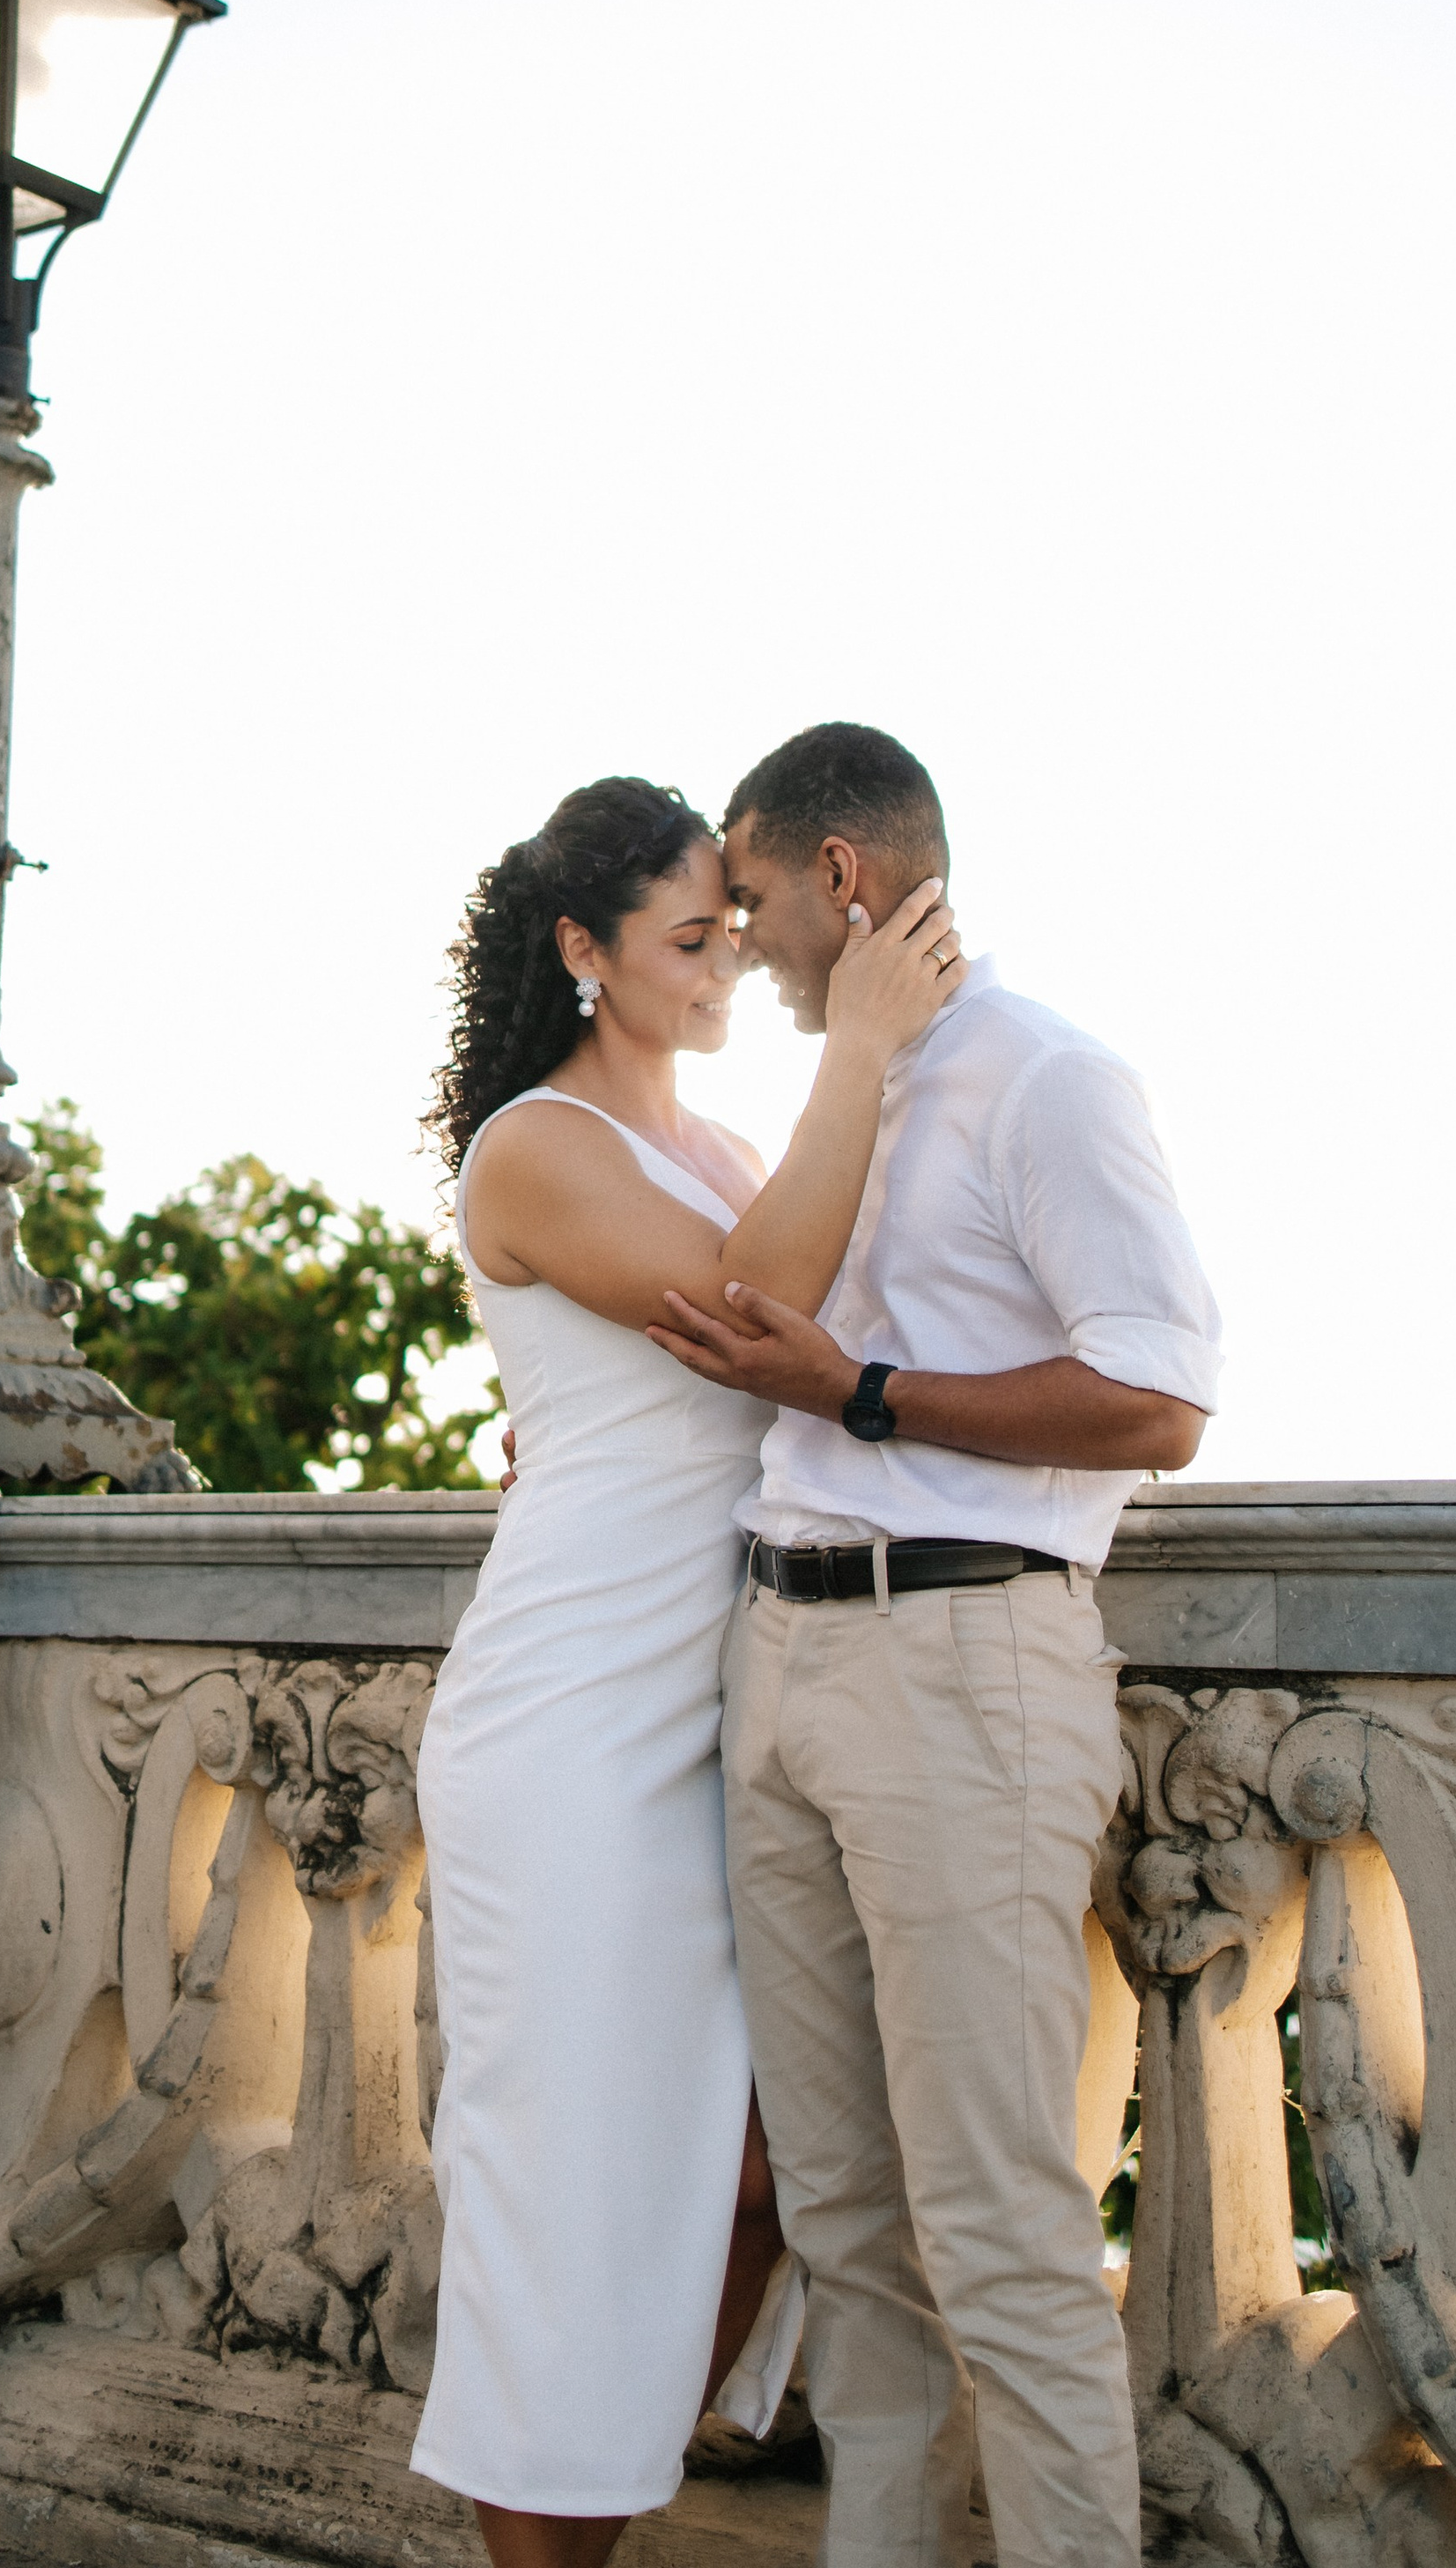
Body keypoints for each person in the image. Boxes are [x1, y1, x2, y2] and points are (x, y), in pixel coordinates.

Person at [649, 722, 1221, 2568]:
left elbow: (1153, 1399)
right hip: (780, 1659)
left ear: (842, 878)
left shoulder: (1045, 1078)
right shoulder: (834, 1099)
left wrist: (868, 1395)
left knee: (996, 2220)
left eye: (743, 898)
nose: (730, 941)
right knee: (838, 2215)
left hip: (964, 1665)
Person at [410, 773, 965, 2568]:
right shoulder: (531, 1146)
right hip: (570, 1725)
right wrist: (857, 1049)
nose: (731, 961)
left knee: (750, 2164)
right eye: (689, 935)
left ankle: (601, 2509)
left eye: (735, 928)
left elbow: (831, 1321)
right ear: (584, 952)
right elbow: (753, 1318)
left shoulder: (716, 1153)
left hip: (721, 1712)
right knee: (565, 2191)